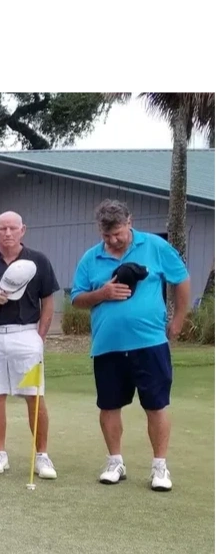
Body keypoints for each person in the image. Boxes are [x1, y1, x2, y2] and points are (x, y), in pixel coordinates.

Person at [70, 199, 190, 491]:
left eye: (117, 233)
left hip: (150, 343)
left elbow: (181, 280)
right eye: (106, 235)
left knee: (156, 404)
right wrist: (103, 293)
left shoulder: (155, 247)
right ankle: (115, 462)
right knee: (109, 405)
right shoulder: (91, 258)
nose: (112, 240)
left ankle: (159, 467)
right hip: (107, 346)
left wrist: (178, 321)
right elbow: (77, 298)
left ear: (129, 223)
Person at [0, 212, 61, 479]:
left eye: (13, 228)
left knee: (34, 394)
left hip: (26, 334)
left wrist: (40, 335)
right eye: (2, 228)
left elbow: (48, 301)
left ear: (23, 229)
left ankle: (42, 456)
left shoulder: (39, 260)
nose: (8, 233)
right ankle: (0, 453)